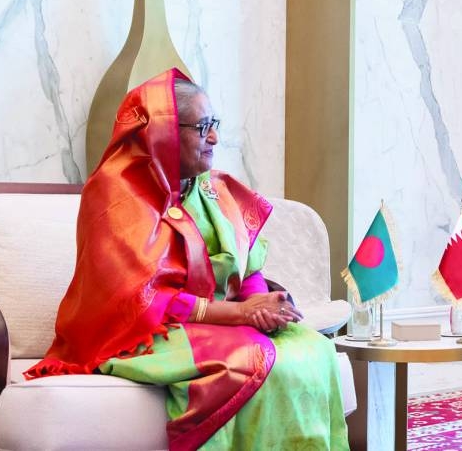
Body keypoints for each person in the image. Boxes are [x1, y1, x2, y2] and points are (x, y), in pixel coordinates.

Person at [26, 69, 348, 451]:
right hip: (138, 332)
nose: (214, 138)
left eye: (214, 124)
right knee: (250, 359)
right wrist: (240, 314)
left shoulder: (212, 188)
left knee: (314, 349)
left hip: (221, 321)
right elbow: (146, 300)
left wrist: (260, 304)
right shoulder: (116, 195)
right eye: (202, 127)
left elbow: (246, 265)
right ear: (163, 131)